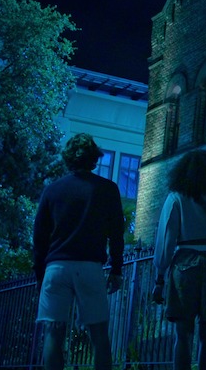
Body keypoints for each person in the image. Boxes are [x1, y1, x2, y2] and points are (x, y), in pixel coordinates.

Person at [32, 133, 125, 370]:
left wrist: (39, 274)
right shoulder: (107, 189)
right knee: (100, 336)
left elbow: (39, 236)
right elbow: (116, 232)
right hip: (90, 267)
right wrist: (116, 268)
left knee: (53, 334)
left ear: (68, 158)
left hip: (57, 266)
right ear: (94, 159)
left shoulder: (52, 191)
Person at [151, 150, 206, 370]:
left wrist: (159, 279)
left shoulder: (176, 197)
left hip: (184, 263)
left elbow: (166, 241)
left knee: (183, 334)